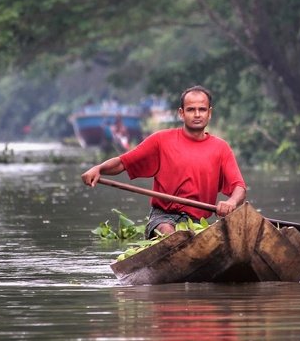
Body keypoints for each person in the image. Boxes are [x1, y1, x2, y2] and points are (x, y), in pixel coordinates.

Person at [81, 85, 247, 238]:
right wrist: (99, 169)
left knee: (202, 239)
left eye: (202, 110)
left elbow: (239, 186)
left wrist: (231, 202)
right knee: (170, 233)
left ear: (209, 113)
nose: (197, 114)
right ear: (181, 113)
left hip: (197, 224)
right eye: (191, 110)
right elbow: (123, 162)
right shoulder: (161, 140)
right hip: (162, 218)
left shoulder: (221, 148)